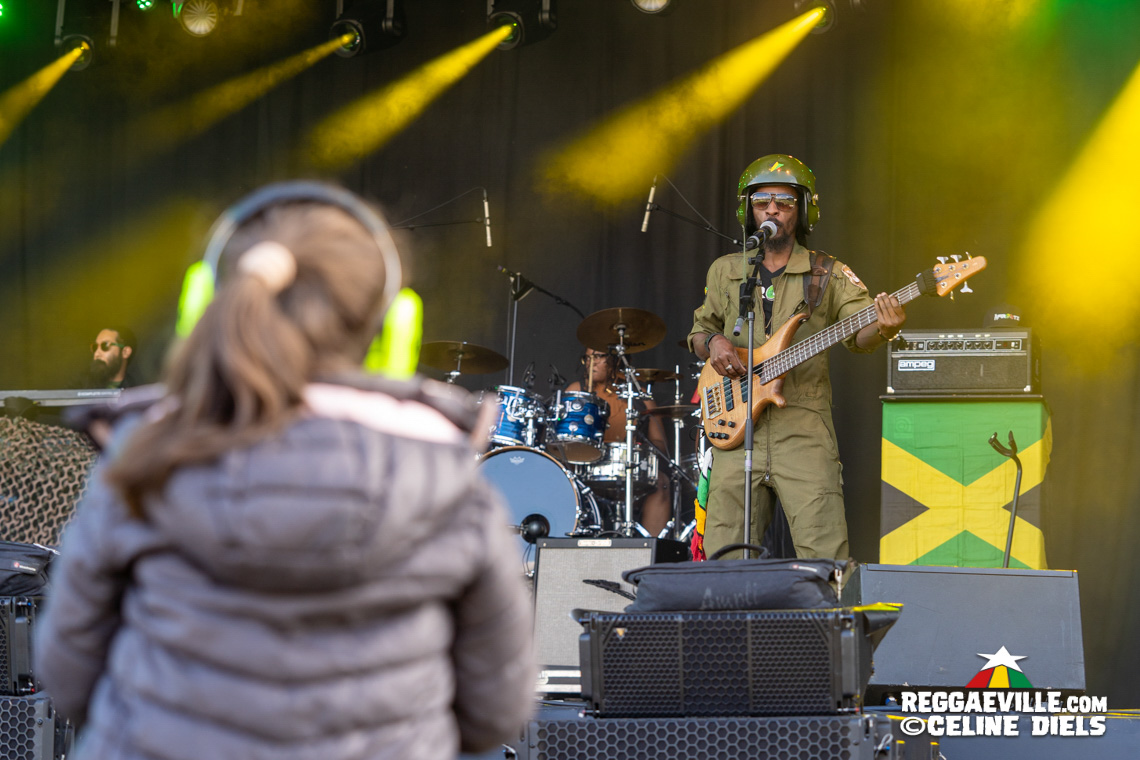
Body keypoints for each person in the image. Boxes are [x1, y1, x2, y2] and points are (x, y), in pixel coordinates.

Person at [35, 184, 535, 760]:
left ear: (203, 306)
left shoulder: (141, 459)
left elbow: (69, 679)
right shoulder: (449, 482)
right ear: (397, 329)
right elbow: (495, 711)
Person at [688, 154, 906, 561]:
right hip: (735, 428)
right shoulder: (725, 270)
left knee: (825, 557)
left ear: (803, 210)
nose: (771, 210)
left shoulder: (828, 272)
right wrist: (715, 343)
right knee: (723, 559)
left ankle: (826, 626)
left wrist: (885, 326)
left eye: (784, 202)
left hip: (803, 427)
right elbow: (700, 332)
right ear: (748, 210)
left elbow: (859, 331)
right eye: (761, 202)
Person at [566, 347, 672, 536]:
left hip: (628, 473)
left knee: (661, 481)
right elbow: (562, 440)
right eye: (588, 358)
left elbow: (659, 443)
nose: (592, 362)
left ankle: (649, 553)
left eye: (598, 356)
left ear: (615, 360)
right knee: (563, 480)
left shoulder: (638, 395)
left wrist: (640, 450)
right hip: (585, 472)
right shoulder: (576, 391)